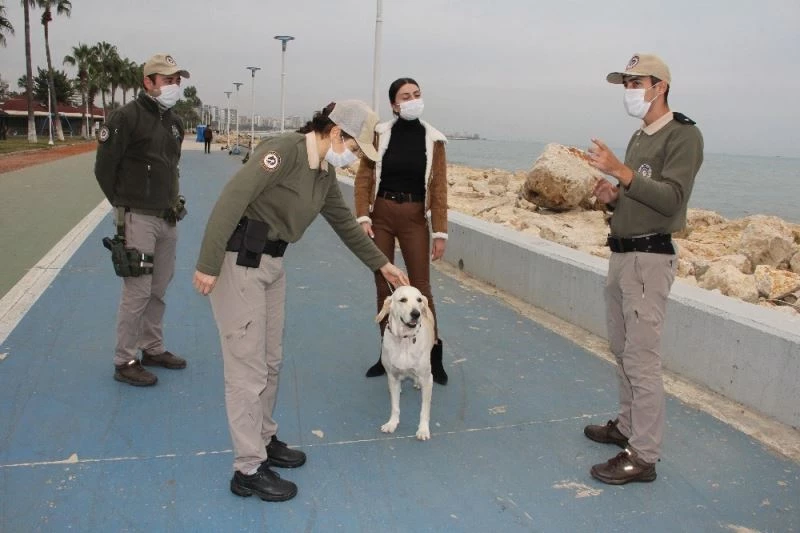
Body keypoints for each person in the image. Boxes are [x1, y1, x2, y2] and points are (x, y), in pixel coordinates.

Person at [192, 100, 410, 503]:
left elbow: (345, 224)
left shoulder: (323, 173)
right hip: (239, 263)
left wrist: (383, 265)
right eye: (354, 148)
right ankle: (247, 469)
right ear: (335, 132)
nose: (354, 157)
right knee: (246, 369)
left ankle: (264, 438)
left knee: (270, 361)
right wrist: (207, 263)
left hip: (272, 265)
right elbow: (232, 199)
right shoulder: (284, 151)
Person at [585, 53, 704, 485]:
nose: (629, 91)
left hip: (649, 260)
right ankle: (627, 425)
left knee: (642, 359)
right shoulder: (639, 136)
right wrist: (613, 196)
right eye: (626, 84)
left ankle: (644, 455)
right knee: (622, 349)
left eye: (636, 83)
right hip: (622, 256)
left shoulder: (684, 136)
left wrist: (621, 171)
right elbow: (638, 194)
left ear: (660, 86)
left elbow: (672, 200)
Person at [95, 53, 190, 387]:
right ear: (148, 82)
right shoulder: (126, 117)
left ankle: (152, 348)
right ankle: (124, 360)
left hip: (167, 217)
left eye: (177, 80)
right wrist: (126, 205)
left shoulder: (175, 122)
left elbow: (171, 167)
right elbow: (104, 169)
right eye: (167, 80)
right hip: (138, 218)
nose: (174, 86)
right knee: (137, 291)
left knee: (159, 288)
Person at [355, 77, 450, 385]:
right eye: (406, 96)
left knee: (421, 289)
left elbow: (439, 189)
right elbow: (364, 177)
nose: (413, 100)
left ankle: (432, 356)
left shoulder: (434, 140)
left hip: (414, 217)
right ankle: (387, 356)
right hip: (381, 215)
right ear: (394, 104)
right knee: (385, 288)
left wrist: (440, 232)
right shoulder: (380, 134)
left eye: (416, 94)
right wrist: (363, 216)